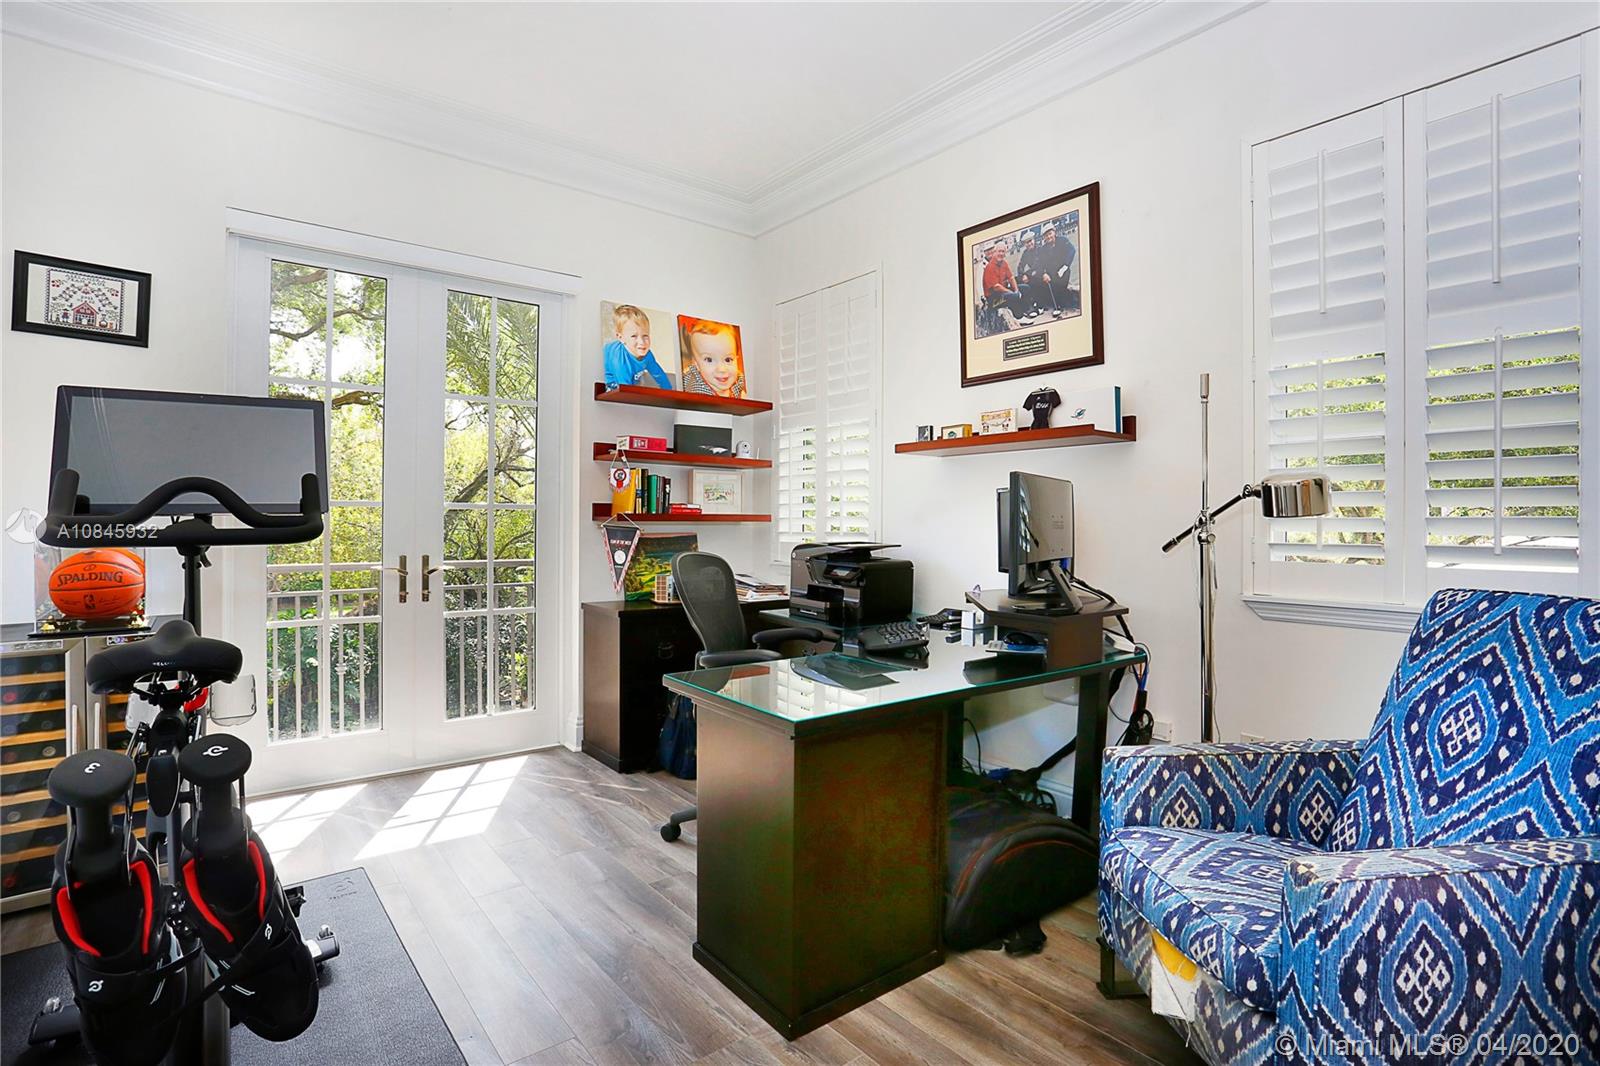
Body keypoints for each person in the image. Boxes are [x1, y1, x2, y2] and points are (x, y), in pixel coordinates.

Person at [603, 305, 674, 389]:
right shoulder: (619, 361)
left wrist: (669, 390)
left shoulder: (647, 354)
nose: (642, 342)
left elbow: (659, 375)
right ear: (621, 338)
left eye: (645, 335)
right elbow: (626, 390)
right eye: (634, 336)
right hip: (613, 381)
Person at [680, 319, 746, 397]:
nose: (721, 369)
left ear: (736, 359)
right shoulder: (698, 392)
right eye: (709, 360)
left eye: (728, 360)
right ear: (696, 364)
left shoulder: (737, 380)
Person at [1030, 224, 1078, 317]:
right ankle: (1040, 305)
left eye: (1050, 234)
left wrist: (1065, 266)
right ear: (1044, 237)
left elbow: (1072, 251)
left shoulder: (1063, 240)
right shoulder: (1043, 249)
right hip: (1049, 273)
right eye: (1046, 235)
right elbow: (1039, 264)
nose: (1048, 237)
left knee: (1058, 284)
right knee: (1036, 280)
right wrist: (1043, 274)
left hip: (1063, 270)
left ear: (1054, 232)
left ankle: (1058, 306)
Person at [981, 244, 1026, 324]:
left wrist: (1016, 290)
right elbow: (996, 287)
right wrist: (1012, 293)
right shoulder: (989, 267)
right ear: (995, 252)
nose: (1001, 253)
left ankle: (1025, 310)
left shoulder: (1003, 263)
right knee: (1012, 296)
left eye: (1003, 251)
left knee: (1024, 288)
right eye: (999, 251)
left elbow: (1011, 278)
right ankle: (1019, 317)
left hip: (1002, 293)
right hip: (993, 301)